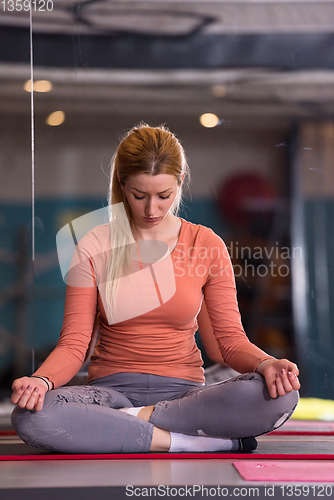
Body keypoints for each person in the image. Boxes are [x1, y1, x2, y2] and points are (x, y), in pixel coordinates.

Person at [10, 123, 300, 454]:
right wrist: (41, 381)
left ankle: (126, 422)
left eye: (164, 196)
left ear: (180, 183)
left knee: (281, 395)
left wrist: (266, 364)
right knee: (32, 416)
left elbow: (229, 344)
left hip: (187, 397)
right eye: (139, 196)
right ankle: (185, 441)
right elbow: (75, 345)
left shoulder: (205, 243)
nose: (152, 210)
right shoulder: (95, 243)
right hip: (111, 393)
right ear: (122, 185)